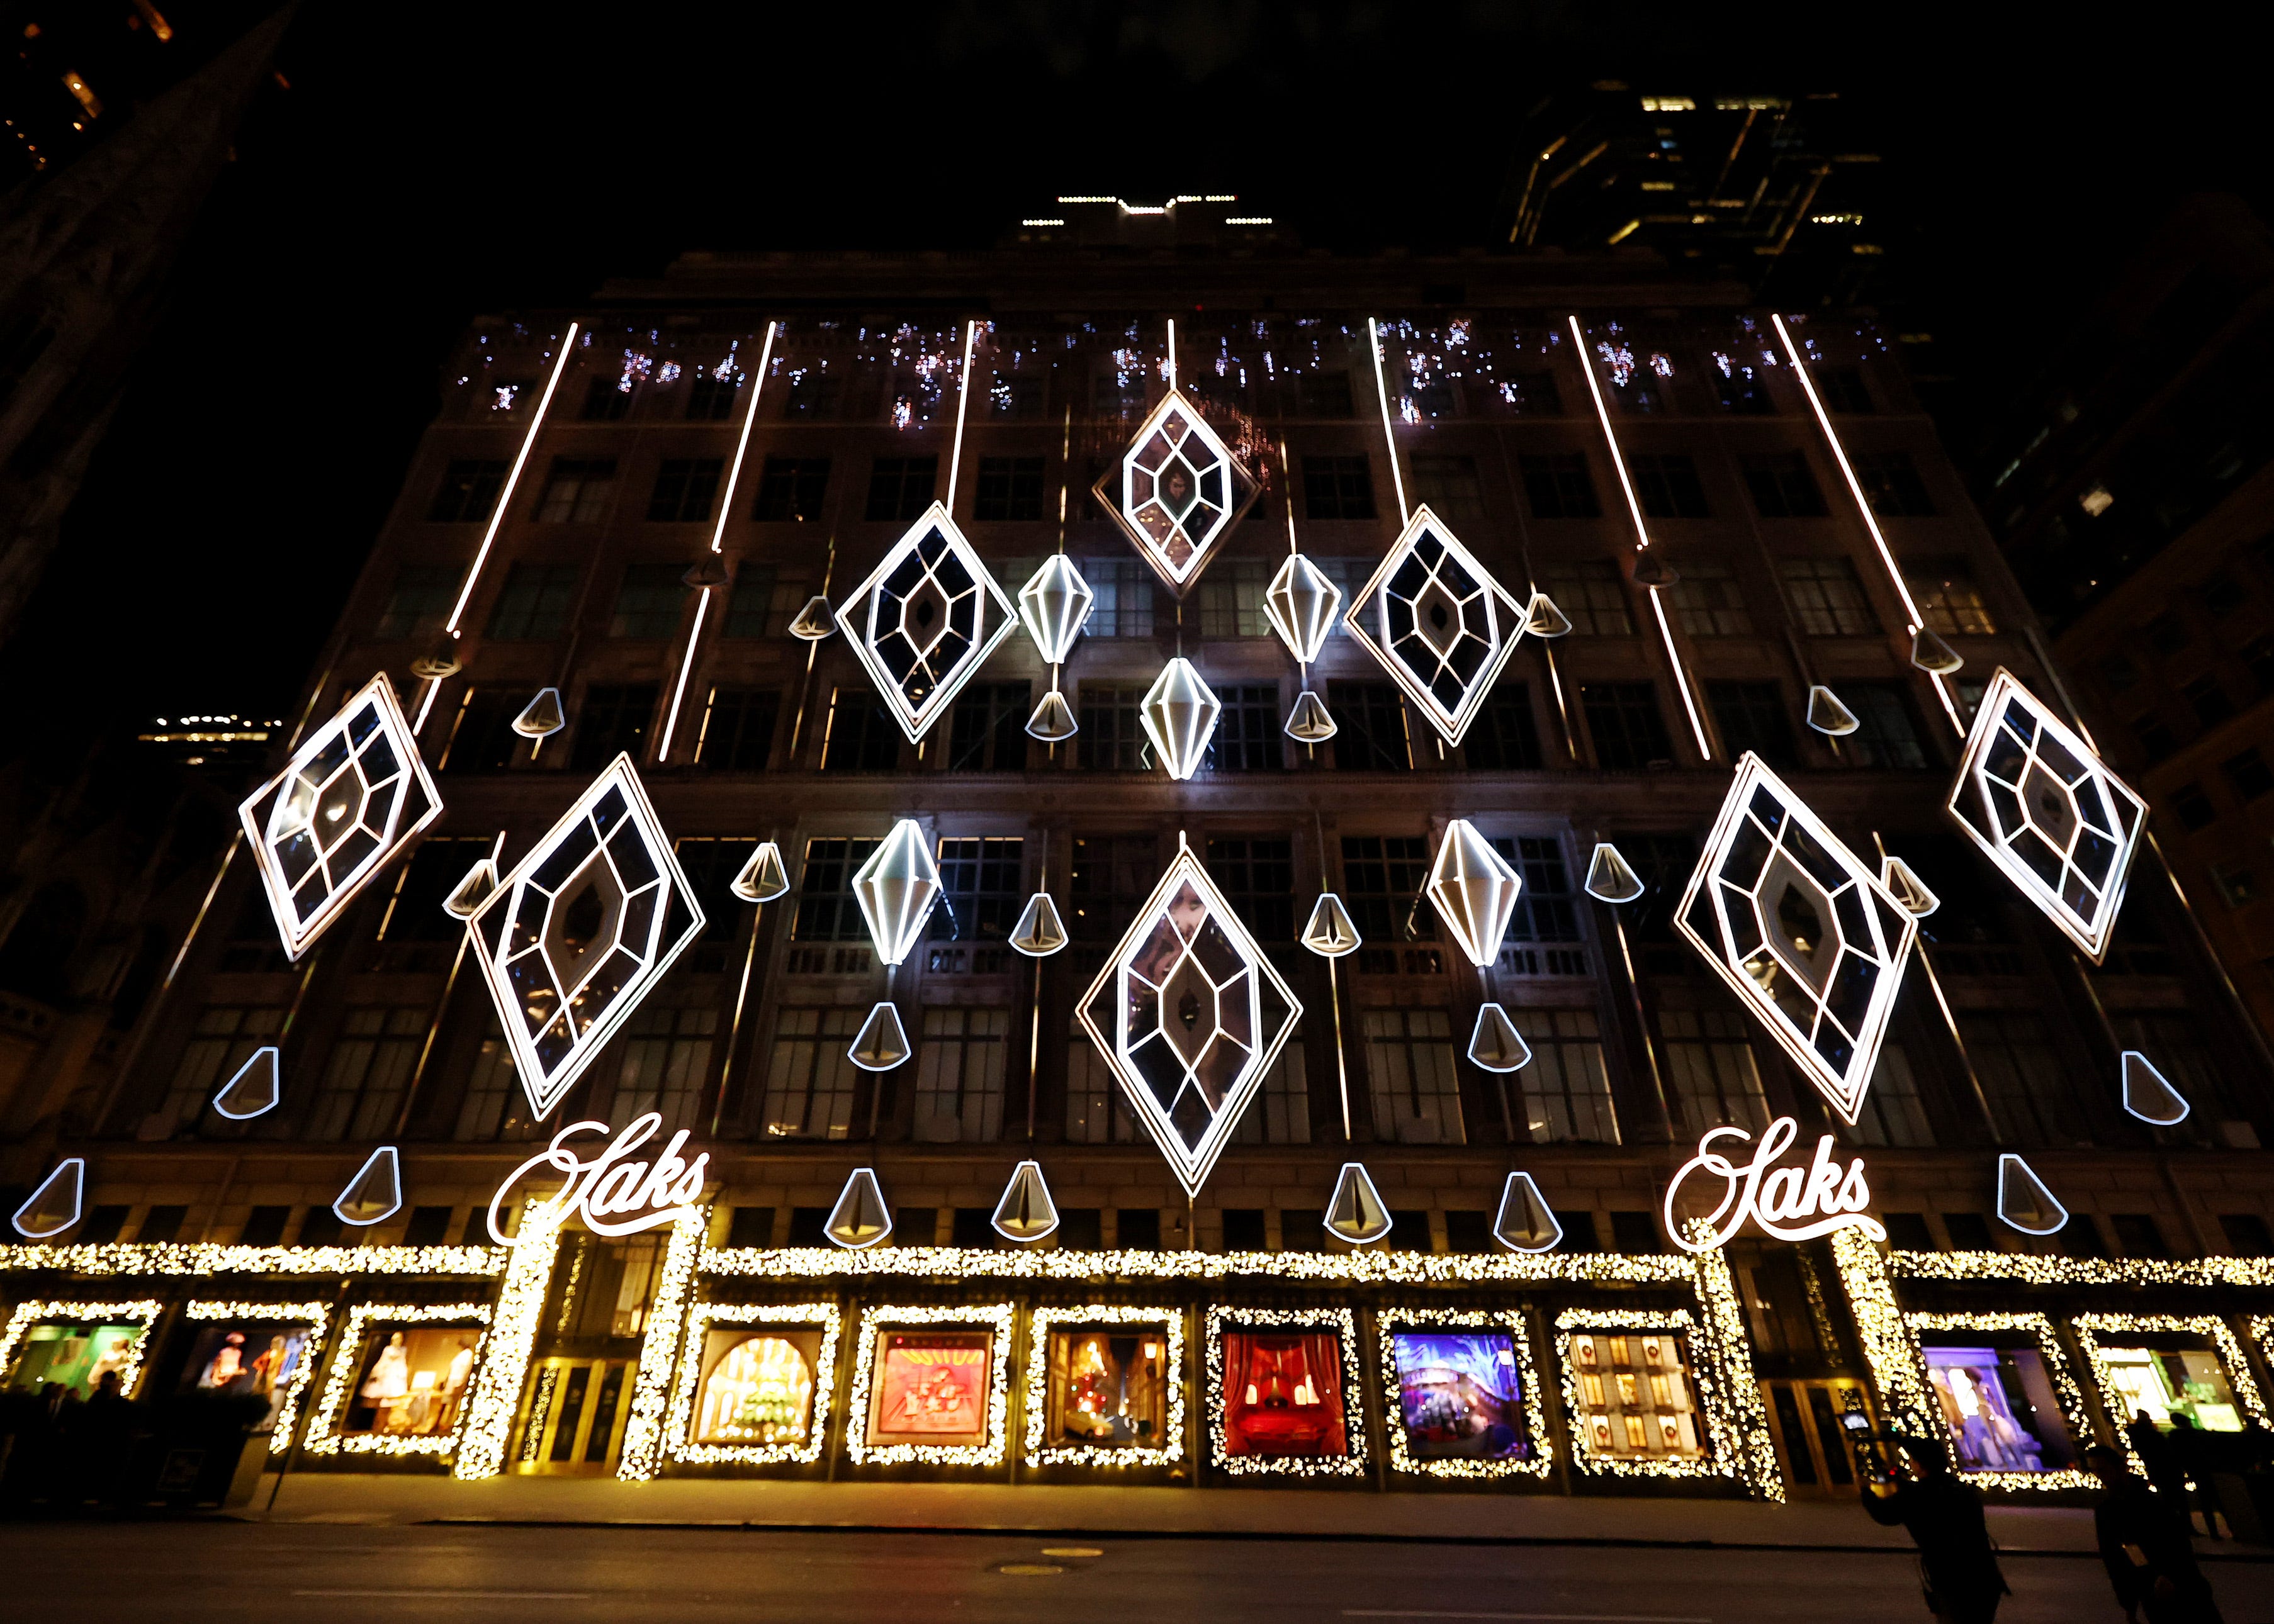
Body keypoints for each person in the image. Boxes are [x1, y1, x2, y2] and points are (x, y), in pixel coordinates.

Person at [1861, 1433, 2011, 1623]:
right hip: (1984, 1578)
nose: (1911, 1464)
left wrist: (1865, 1492)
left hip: (1951, 1582)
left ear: (1920, 1465)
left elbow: (1885, 1514)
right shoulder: (1961, 1490)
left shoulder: (1917, 1496)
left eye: (1913, 1460)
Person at [2088, 1442, 2224, 1623]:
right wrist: (2129, 1604)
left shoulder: (2150, 1503)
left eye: (2102, 1470)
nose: (2099, 1476)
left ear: (2120, 1468)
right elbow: (2114, 1560)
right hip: (2152, 1589)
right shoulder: (2107, 1510)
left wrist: (2169, 1574)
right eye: (2095, 1471)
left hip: (2181, 1587)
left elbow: (2178, 1543)